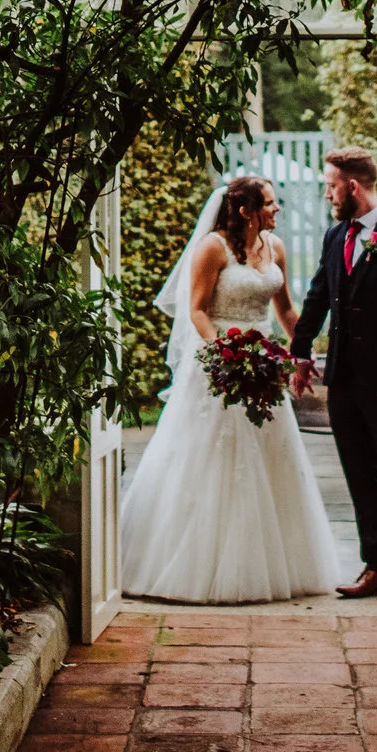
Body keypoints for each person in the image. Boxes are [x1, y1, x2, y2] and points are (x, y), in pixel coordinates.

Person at [120, 174, 341, 603]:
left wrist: (302, 353)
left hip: (263, 363)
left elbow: (286, 309)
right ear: (246, 210)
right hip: (218, 364)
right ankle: (191, 565)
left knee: (269, 454)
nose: (278, 209)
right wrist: (226, 353)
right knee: (210, 455)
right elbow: (198, 310)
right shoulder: (212, 248)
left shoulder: (274, 248)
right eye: (271, 203)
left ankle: (276, 562)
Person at [290, 146, 377, 603]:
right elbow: (317, 296)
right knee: (359, 472)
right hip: (344, 379)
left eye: (331, 186)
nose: (328, 194)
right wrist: (301, 352)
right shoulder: (337, 236)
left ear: (352, 186)